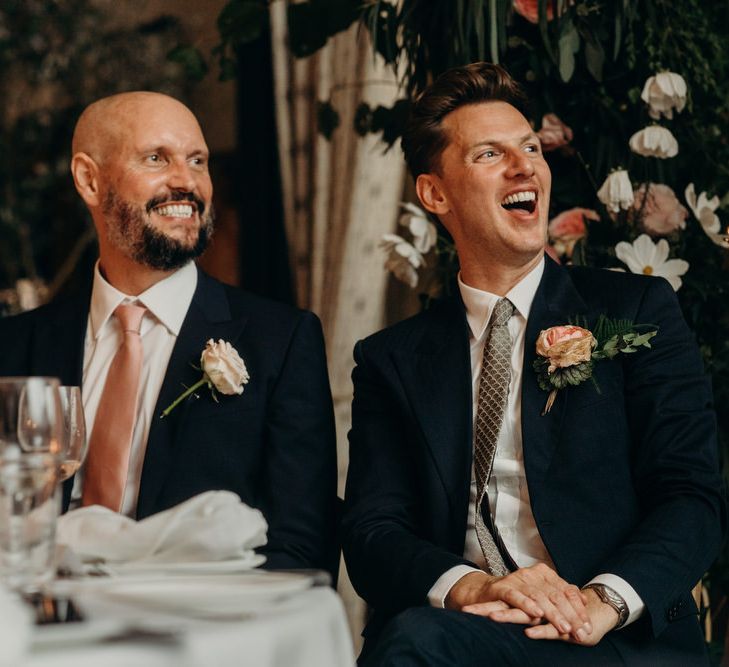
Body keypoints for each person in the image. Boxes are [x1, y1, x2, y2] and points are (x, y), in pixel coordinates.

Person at [342, 63, 725, 665]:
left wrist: (601, 602)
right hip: (467, 631)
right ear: (435, 193)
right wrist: (475, 588)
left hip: (609, 635)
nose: (525, 166)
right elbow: (373, 533)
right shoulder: (392, 360)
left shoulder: (636, 310)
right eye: (490, 154)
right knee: (414, 643)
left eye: (529, 148)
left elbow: (691, 497)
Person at [0, 92, 339, 578]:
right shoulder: (14, 346)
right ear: (89, 180)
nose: (186, 181)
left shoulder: (280, 342)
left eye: (197, 161)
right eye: (156, 158)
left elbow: (301, 547)